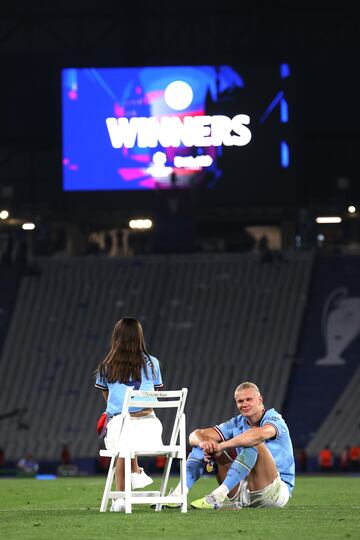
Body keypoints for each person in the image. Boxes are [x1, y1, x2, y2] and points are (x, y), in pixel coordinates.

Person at [169, 381, 295, 509]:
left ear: (260, 400)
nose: (244, 404)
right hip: (241, 490)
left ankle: (217, 497)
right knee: (204, 445)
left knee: (254, 443)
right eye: (240, 401)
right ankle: (179, 493)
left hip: (274, 492)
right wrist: (205, 444)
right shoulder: (237, 422)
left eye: (248, 400)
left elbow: (258, 435)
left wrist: (221, 446)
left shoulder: (274, 418)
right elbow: (195, 435)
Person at [94, 317, 163, 512]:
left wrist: (125, 411)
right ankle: (135, 471)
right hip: (150, 429)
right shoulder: (152, 363)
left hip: (121, 428)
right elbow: (155, 394)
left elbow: (109, 400)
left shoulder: (107, 365)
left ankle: (120, 497)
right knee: (126, 434)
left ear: (116, 337)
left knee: (122, 433)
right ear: (139, 337)